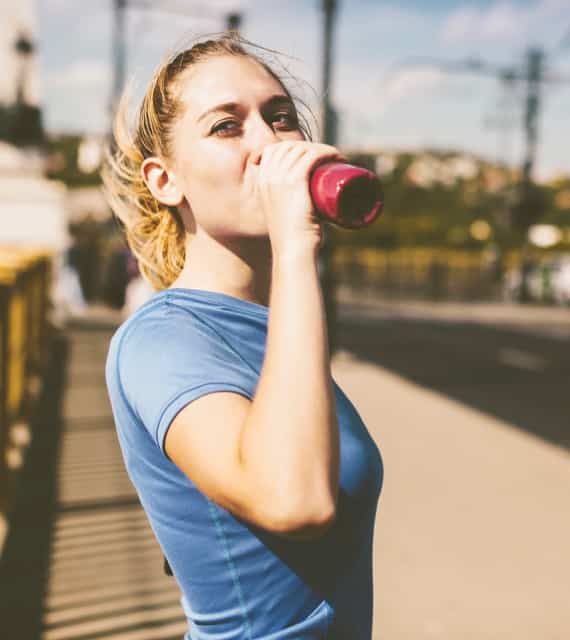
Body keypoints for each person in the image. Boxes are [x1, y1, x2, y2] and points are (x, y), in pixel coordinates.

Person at [102, 34, 384, 640]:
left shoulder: (276, 325)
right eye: (227, 127)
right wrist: (295, 247)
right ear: (165, 180)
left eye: (280, 117)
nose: (269, 142)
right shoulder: (161, 341)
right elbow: (295, 501)